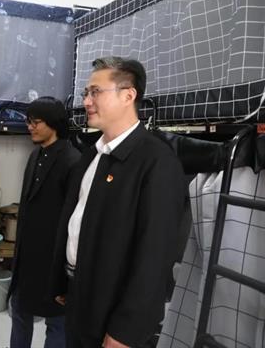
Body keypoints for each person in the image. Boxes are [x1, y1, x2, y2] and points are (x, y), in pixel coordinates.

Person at [51, 57, 186, 348]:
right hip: (79, 296)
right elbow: (77, 221)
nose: (86, 101)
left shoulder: (157, 162)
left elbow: (155, 257)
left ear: (128, 95)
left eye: (95, 92)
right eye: (86, 93)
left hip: (115, 315)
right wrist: (63, 282)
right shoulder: (93, 155)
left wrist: (125, 330)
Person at [9, 97, 80, 348]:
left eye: (35, 122)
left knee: (57, 322)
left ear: (54, 123)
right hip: (27, 257)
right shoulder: (34, 155)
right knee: (19, 312)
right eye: (28, 121)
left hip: (54, 261)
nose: (30, 127)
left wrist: (67, 272)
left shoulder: (73, 161)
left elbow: (74, 222)